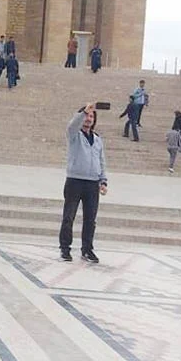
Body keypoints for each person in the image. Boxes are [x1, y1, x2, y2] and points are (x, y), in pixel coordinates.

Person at [60, 103, 107, 263]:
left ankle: (87, 249)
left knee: (90, 219)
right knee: (69, 216)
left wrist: (103, 180)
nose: (88, 119)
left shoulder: (98, 139)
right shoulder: (74, 135)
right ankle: (65, 248)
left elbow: (101, 161)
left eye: (91, 117)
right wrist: (82, 111)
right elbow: (72, 125)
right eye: (87, 116)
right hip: (75, 181)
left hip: (92, 183)